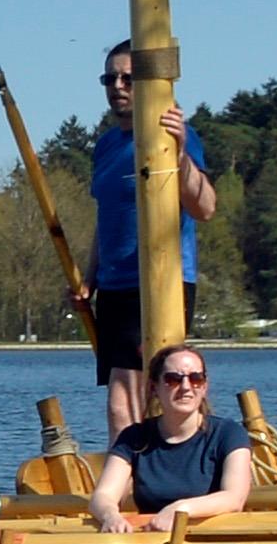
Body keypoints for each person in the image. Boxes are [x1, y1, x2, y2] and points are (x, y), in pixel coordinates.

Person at [84, 38, 217, 431]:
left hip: (162, 279)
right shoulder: (106, 146)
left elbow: (204, 207)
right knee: (126, 395)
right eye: (110, 78)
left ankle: (137, 479)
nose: (118, 86)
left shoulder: (173, 135)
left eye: (128, 78)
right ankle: (131, 480)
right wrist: (88, 278)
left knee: (134, 394)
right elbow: (106, 219)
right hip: (114, 286)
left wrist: (178, 155)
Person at [91, 343, 258, 530]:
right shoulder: (134, 437)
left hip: (210, 543)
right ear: (154, 387)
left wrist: (181, 509)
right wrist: (110, 516)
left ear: (204, 387)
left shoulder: (228, 433)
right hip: (149, 542)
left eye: (196, 378)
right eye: (173, 379)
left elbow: (234, 497)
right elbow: (103, 495)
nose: (186, 387)